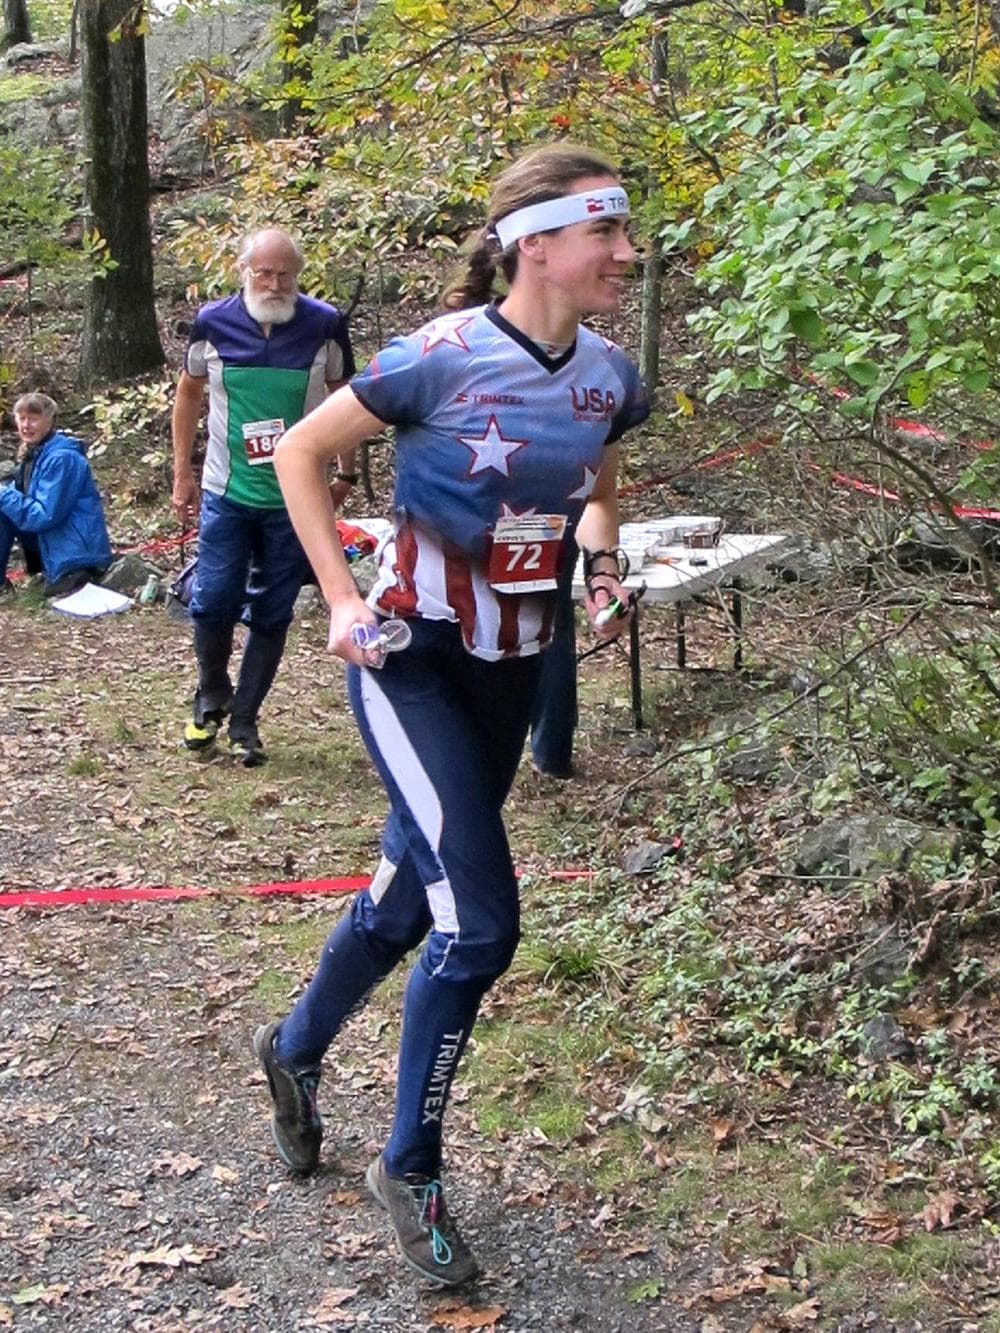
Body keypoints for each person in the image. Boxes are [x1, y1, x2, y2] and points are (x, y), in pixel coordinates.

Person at [255, 143, 650, 1286]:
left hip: (511, 667)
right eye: (605, 232)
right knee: (476, 925)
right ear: (538, 246)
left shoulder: (610, 374)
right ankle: (411, 1166)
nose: (626, 253)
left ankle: (291, 1051)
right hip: (409, 658)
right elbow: (300, 453)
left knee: (402, 894)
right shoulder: (438, 355)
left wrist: (603, 567)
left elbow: (595, 484)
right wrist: (340, 600)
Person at [171, 228, 356, 766]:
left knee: (273, 612)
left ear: (299, 276)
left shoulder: (325, 324)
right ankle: (212, 692)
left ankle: (245, 722)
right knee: (213, 600)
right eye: (265, 273)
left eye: (285, 275)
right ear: (243, 271)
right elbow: (188, 395)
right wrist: (181, 472)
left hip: (296, 500)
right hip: (226, 490)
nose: (274, 285)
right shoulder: (213, 322)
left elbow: (347, 399)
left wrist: (344, 474)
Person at [0, 392, 111, 598]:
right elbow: (18, 496)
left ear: (50, 421)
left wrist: (2, 495)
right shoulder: (35, 453)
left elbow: (44, 516)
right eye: (22, 419)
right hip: (53, 541)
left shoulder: (63, 458)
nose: (26, 425)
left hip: (75, 553)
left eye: (33, 419)